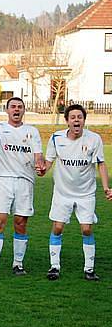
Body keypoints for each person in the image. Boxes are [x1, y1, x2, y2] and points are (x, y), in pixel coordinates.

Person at [39, 104, 111, 281]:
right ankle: (54, 267)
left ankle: (89, 269)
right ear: (67, 121)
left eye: (80, 117)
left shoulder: (94, 139)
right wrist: (42, 170)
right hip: (62, 192)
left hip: (86, 193)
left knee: (86, 229)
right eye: (73, 117)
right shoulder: (56, 138)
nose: (76, 120)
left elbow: (101, 163)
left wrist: (106, 188)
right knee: (57, 227)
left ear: (84, 121)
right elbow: (49, 162)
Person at [0, 97, 43, 279]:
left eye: (20, 107)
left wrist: (39, 165)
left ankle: (18, 264)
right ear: (7, 110)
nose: (16, 110)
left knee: (20, 223)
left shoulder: (32, 131)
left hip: (25, 181)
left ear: (24, 110)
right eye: (13, 107)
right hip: (3, 180)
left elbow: (38, 156)